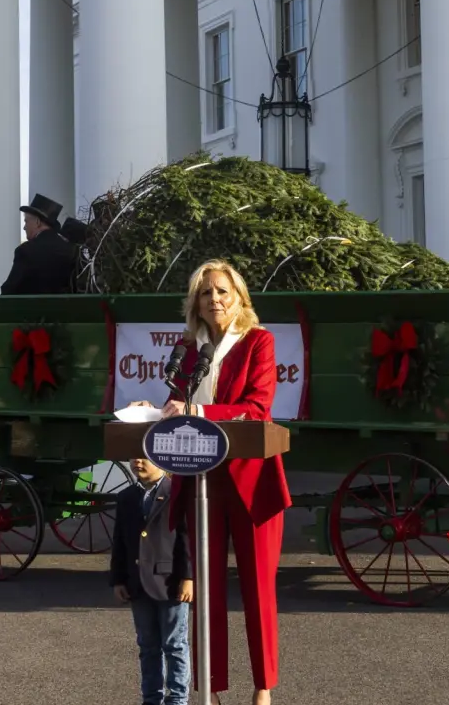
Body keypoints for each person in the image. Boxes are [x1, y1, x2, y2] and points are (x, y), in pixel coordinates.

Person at [162, 260, 289, 705]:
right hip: (200, 479)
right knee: (206, 589)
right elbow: (176, 401)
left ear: (239, 297)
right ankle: (209, 689)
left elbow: (256, 406)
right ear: (195, 302)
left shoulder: (259, 342)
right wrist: (154, 409)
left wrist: (197, 413)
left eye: (222, 291)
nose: (214, 300)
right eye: (205, 293)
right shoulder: (190, 349)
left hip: (251, 479)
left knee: (258, 589)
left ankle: (263, 687)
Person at [110, 457, 193, 705]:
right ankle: (151, 698)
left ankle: (177, 698)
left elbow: (186, 538)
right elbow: (120, 542)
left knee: (175, 645)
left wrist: (188, 577)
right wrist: (118, 579)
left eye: (144, 457)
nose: (137, 462)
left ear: (160, 461)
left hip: (170, 583)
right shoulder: (126, 497)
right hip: (137, 583)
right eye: (134, 458)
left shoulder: (176, 493)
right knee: (147, 646)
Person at [0, 194, 78, 296]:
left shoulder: (25, 251)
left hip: (32, 311)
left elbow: (9, 290)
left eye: (26, 221)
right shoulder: (73, 250)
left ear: (37, 222)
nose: (24, 227)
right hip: (66, 311)